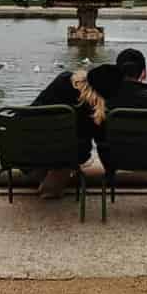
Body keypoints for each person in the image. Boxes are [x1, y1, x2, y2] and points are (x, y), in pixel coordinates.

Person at [23, 62, 125, 197]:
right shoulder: (96, 110)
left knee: (59, 144)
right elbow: (103, 145)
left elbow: (34, 108)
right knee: (75, 149)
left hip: (27, 146)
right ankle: (51, 187)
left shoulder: (64, 79)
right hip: (65, 153)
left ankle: (40, 174)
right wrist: (110, 172)